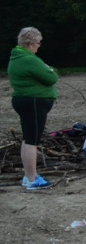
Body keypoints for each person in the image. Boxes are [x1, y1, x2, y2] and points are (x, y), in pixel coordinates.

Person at [8, 27, 58, 190]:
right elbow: (51, 77)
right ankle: (32, 179)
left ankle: (28, 175)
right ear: (29, 44)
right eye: (38, 43)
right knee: (32, 141)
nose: (39, 46)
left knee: (27, 139)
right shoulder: (29, 59)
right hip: (34, 103)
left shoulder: (17, 57)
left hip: (26, 101)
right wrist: (49, 69)